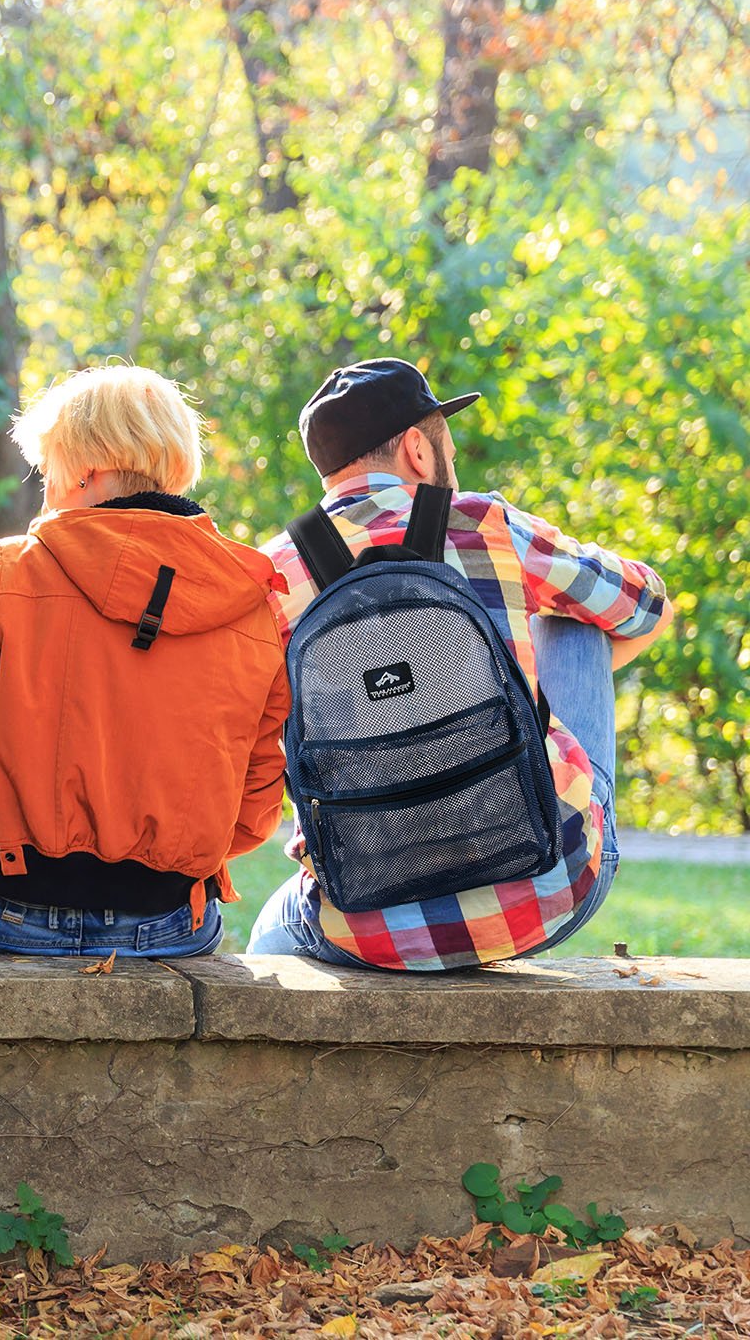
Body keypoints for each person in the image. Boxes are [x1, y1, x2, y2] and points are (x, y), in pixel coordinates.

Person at [246, 357, 674, 969]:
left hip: (364, 923)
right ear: (419, 450)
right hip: (551, 883)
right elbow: (644, 607)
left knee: (270, 931)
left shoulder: (271, 574)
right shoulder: (483, 523)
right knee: (576, 621)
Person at [0, 364, 290, 958]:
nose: (47, 493)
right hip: (166, 919)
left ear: (85, 472)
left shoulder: (7, 572)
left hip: (2, 908)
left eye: (49, 474)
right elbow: (255, 813)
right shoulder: (251, 603)